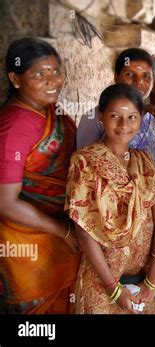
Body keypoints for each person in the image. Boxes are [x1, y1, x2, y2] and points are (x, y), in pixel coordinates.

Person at [75, 47, 155, 314]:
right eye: (114, 116)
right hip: (102, 276)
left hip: (143, 274)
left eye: (131, 117)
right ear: (101, 117)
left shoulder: (146, 163)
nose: (123, 124)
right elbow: (84, 228)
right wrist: (112, 288)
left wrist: (152, 281)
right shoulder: (85, 162)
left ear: (140, 119)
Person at [0, 37, 80, 313]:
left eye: (56, 71)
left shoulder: (50, 112)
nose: (53, 81)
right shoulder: (15, 125)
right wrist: (63, 231)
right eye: (39, 74)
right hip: (26, 242)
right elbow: (6, 202)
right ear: (15, 78)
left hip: (56, 231)